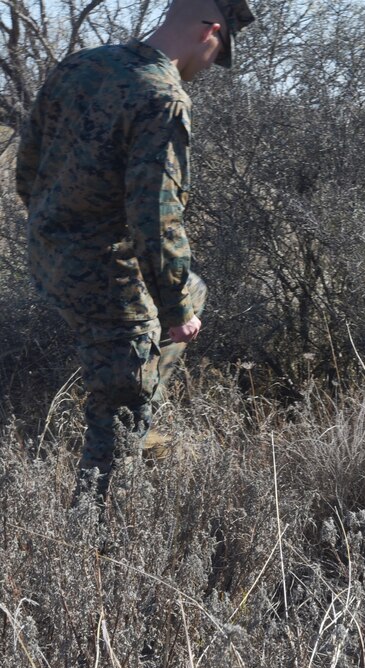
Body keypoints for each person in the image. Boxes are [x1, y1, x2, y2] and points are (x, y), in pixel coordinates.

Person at [16, 0, 255, 504]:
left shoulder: (81, 65)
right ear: (211, 30)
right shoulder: (161, 95)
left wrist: (56, 227)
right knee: (120, 411)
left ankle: (141, 393)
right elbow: (156, 216)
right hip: (105, 272)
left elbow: (29, 166)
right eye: (219, 52)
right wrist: (175, 311)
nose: (211, 65)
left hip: (49, 254)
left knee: (195, 289)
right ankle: (89, 545)